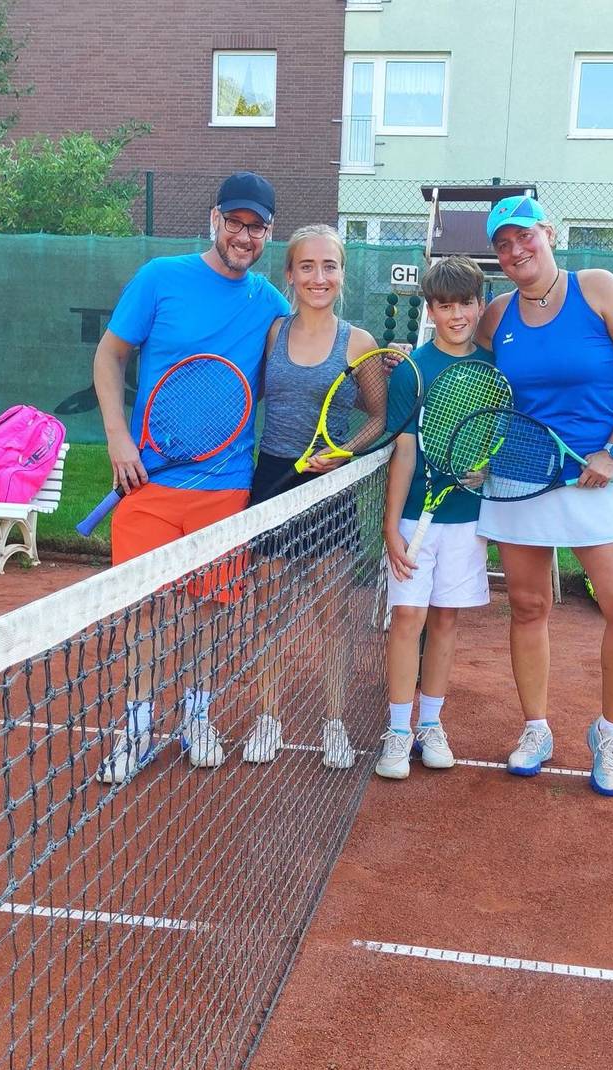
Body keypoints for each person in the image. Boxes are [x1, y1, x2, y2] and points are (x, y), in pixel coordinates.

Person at [92, 170, 289, 783]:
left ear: (269, 234)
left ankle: (196, 717)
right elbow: (109, 355)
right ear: (214, 218)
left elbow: (313, 351)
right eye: (235, 222)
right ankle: (138, 727)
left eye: (256, 228)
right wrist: (120, 438)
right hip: (147, 485)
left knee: (206, 611)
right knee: (145, 614)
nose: (244, 236)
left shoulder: (270, 304)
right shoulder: (160, 278)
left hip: (226, 487)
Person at [475, 194, 613, 796]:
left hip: (594, 475)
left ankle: (609, 733)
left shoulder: (599, 287)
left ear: (547, 233)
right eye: (502, 245)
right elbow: (474, 384)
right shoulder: (496, 314)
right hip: (520, 477)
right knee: (528, 607)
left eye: (523, 236)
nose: (515, 251)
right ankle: (537, 728)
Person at [240, 222, 380, 770]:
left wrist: (343, 452)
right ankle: (267, 720)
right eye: (307, 267)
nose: (318, 277)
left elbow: (380, 416)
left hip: (329, 491)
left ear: (341, 274)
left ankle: (335, 725)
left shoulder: (360, 342)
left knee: (333, 618)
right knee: (267, 611)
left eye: (329, 266)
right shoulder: (273, 334)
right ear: (290, 275)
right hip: (272, 481)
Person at [375, 255, 493, 780]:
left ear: (479, 304)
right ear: (431, 309)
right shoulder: (414, 371)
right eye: (445, 306)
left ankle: (430, 724)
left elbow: (499, 435)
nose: (457, 315)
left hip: (467, 520)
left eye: (466, 303)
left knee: (445, 619)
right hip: (413, 522)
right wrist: (389, 526)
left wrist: (484, 471)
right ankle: (398, 732)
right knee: (407, 618)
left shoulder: (493, 369)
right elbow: (403, 451)